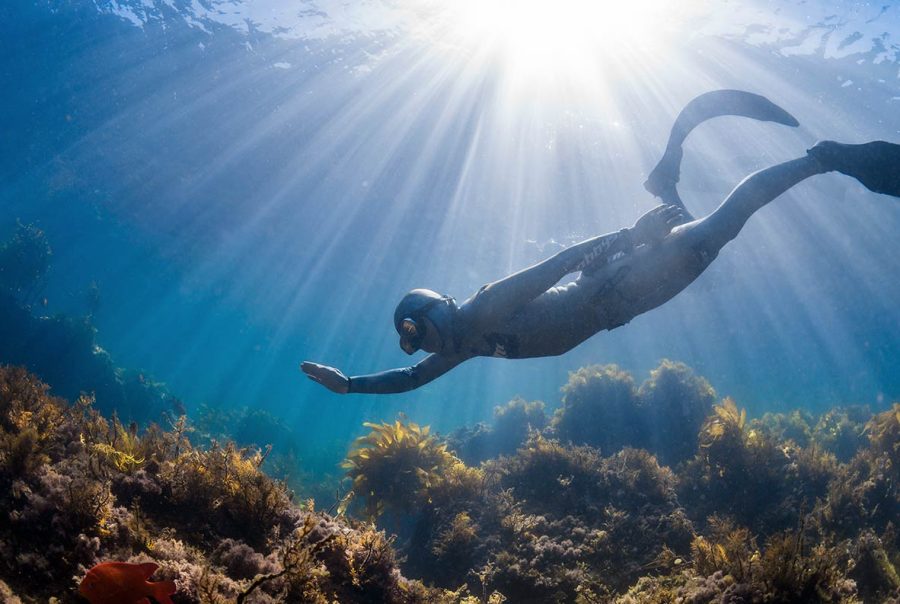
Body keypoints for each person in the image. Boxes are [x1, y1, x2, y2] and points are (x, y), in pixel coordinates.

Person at [301, 90, 900, 395]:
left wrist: (631, 236)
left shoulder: (482, 309)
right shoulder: (463, 346)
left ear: (434, 310)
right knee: (710, 248)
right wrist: (349, 385)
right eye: (412, 342)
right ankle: (667, 182)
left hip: (617, 284)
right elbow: (408, 381)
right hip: (621, 306)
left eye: (414, 332)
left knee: (718, 232)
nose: (417, 347)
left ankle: (823, 159)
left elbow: (557, 265)